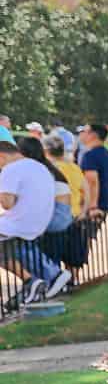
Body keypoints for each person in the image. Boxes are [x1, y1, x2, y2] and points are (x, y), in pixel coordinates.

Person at [0, 128, 59, 306]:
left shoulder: (10, 169)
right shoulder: (39, 166)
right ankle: (44, 276)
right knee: (10, 248)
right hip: (39, 223)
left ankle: (30, 281)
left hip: (18, 226)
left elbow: (7, 204)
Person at [13, 135, 73, 297]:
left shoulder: (37, 171)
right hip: (61, 215)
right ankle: (44, 278)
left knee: (15, 240)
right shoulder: (45, 167)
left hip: (56, 217)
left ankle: (50, 276)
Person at [78, 122, 108, 221]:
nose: (81, 134)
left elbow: (92, 181)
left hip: (94, 208)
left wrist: (92, 207)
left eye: (84, 131)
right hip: (106, 203)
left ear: (93, 135)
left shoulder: (90, 156)